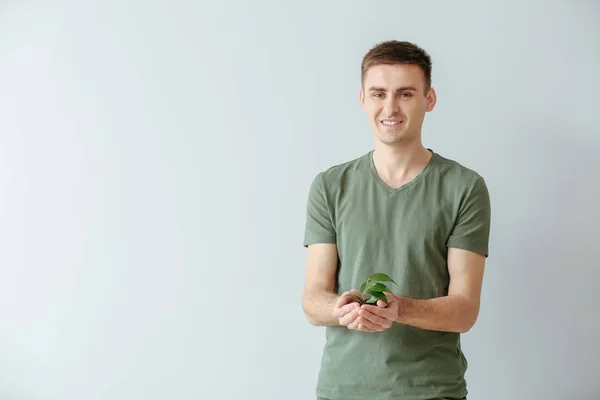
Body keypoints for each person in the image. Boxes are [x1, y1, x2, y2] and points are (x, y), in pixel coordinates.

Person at [301, 40, 491, 400]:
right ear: (362, 100)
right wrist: (341, 309)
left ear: (429, 100)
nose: (390, 107)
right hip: (343, 389)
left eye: (405, 94)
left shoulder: (465, 188)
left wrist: (398, 308)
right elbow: (313, 300)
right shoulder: (329, 186)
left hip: (432, 390)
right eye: (378, 94)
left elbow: (464, 309)